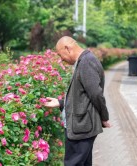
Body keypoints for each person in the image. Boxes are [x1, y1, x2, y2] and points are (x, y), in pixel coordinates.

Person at [44, 36, 111, 166]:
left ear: (67, 49)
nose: (61, 59)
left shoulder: (86, 62)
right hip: (82, 126)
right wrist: (61, 102)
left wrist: (104, 117)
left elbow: (96, 94)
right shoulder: (84, 60)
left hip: (82, 127)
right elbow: (83, 96)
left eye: (60, 54)